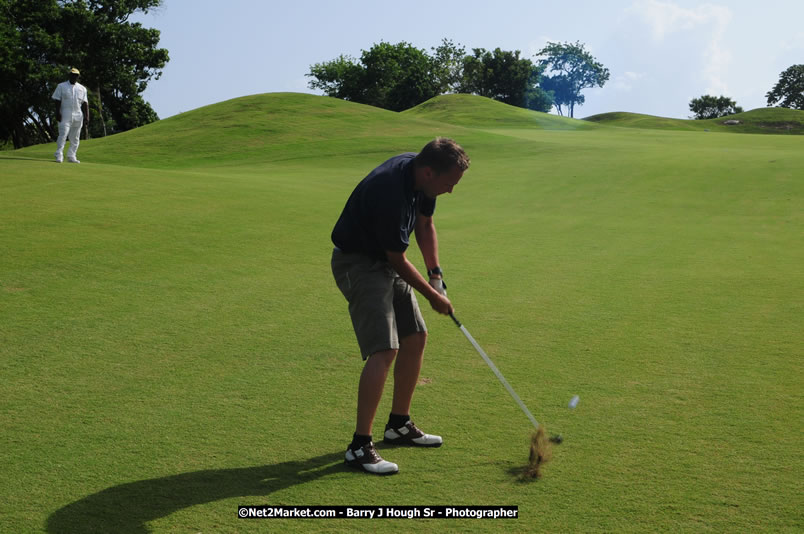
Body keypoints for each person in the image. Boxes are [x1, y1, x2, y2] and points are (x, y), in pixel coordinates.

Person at [331, 137, 470, 475]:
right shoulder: (390, 191)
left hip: (385, 260)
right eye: (449, 183)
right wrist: (433, 297)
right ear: (429, 172)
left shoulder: (423, 176)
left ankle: (398, 424)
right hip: (358, 263)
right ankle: (359, 446)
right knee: (385, 348)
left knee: (416, 336)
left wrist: (436, 275)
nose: (451, 190)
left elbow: (424, 223)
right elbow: (397, 258)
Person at [52, 67, 89, 163]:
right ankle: (59, 154)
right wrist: (57, 112)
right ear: (69, 75)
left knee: (75, 137)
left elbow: (85, 103)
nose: (74, 77)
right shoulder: (61, 86)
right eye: (72, 75)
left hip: (78, 114)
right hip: (65, 112)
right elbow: (57, 100)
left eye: (76, 75)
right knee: (63, 134)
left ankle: (71, 156)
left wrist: (87, 116)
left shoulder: (82, 88)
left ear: (78, 77)